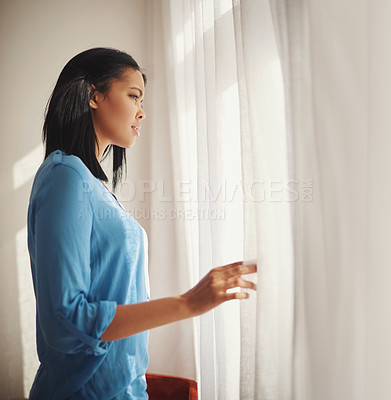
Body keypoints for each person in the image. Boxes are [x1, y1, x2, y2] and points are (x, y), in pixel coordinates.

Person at [27, 47, 257, 400]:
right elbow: (66, 321)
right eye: (133, 95)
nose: (142, 111)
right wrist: (186, 303)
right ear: (94, 95)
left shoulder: (92, 186)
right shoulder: (65, 176)